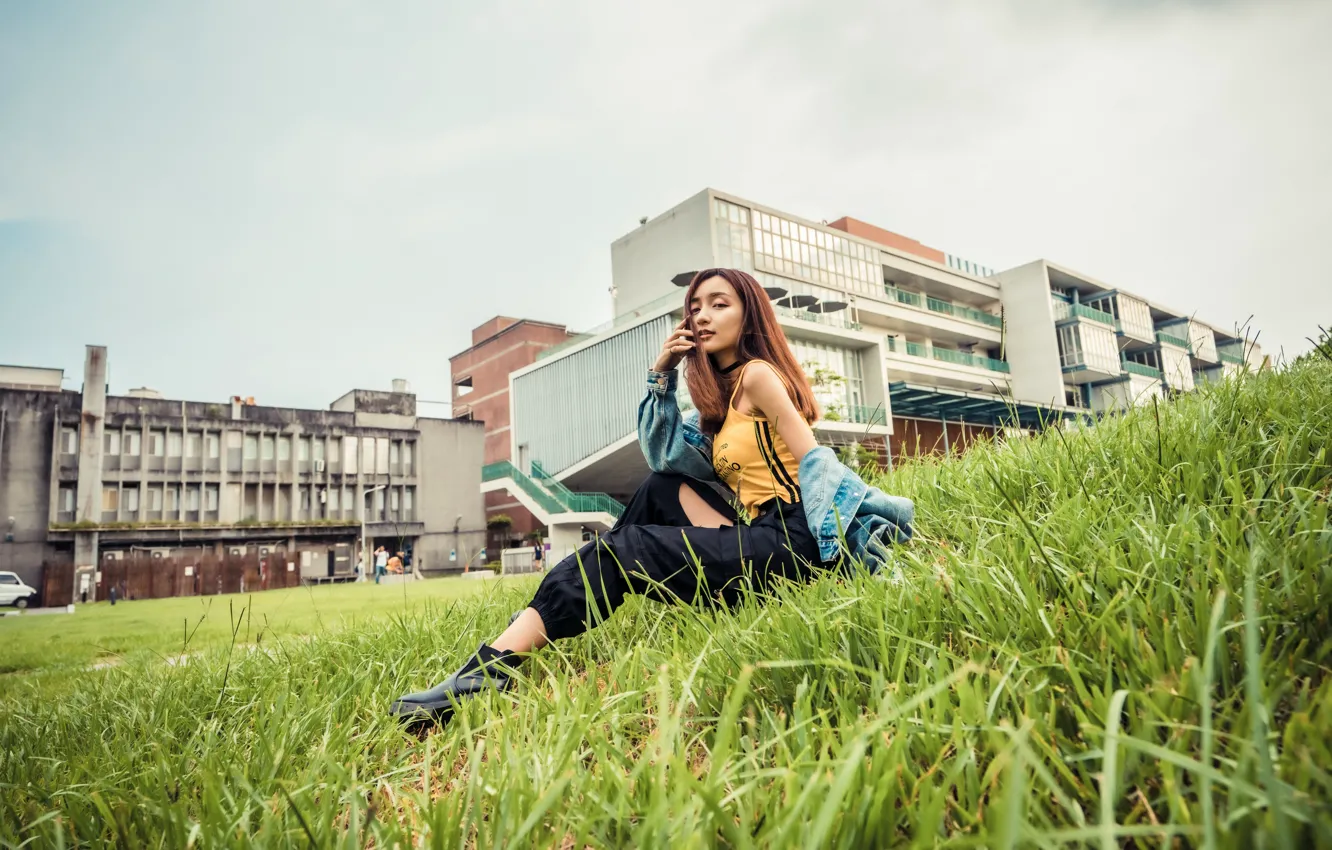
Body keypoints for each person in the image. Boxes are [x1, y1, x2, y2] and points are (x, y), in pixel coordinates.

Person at [391, 269, 914, 728]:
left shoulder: (757, 376)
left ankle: (491, 669)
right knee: (659, 489)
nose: (702, 315)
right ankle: (523, 638)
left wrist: (840, 545)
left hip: (794, 540)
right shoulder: (720, 403)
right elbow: (661, 454)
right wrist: (661, 371)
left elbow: (818, 461)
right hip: (758, 535)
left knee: (625, 548)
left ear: (749, 315)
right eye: (695, 307)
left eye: (719, 303)